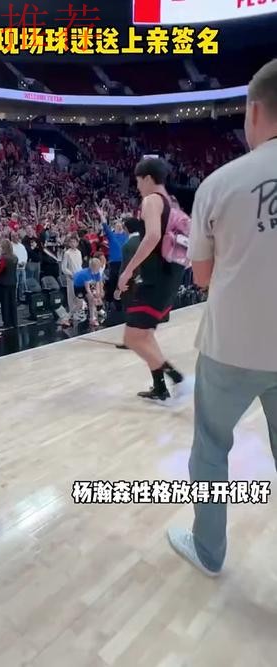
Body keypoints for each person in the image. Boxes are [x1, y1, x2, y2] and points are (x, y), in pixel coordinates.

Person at [167, 59, 277, 576]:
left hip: (231, 344)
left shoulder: (219, 182)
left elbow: (204, 276)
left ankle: (209, 551)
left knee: (211, 449)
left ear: (254, 110)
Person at [118, 157, 186, 403]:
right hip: (171, 274)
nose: (137, 186)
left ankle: (175, 376)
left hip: (156, 277)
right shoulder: (171, 201)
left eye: (138, 181)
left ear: (147, 178)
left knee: (132, 338)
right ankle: (160, 387)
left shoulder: (151, 200)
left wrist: (128, 271)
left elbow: (153, 236)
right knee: (145, 335)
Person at [114, 217, 143, 349]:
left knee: (130, 310)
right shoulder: (145, 240)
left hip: (132, 283)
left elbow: (125, 268)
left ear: (126, 229)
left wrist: (118, 287)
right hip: (147, 281)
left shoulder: (128, 245)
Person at [72, 258, 103, 327]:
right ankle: (68, 316)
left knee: (91, 301)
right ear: (92, 268)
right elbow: (87, 289)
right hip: (78, 286)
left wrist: (98, 294)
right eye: (97, 268)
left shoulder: (97, 272)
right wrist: (93, 296)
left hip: (86, 284)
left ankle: (92, 319)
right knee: (79, 304)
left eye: (99, 268)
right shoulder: (86, 274)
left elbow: (97, 284)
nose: (98, 270)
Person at [0, 239, 18, 329]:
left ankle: (7, 322)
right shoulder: (15, 257)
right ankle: (14, 321)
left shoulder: (3, 258)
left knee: (5, 303)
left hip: (4, 283)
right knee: (12, 302)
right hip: (13, 281)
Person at [61, 234, 83, 321]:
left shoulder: (79, 252)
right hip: (71, 277)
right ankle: (72, 313)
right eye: (71, 242)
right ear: (69, 243)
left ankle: (78, 312)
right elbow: (64, 267)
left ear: (77, 243)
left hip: (79, 277)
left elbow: (80, 264)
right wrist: (70, 274)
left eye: (74, 242)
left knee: (79, 296)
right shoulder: (67, 253)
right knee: (71, 295)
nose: (73, 243)